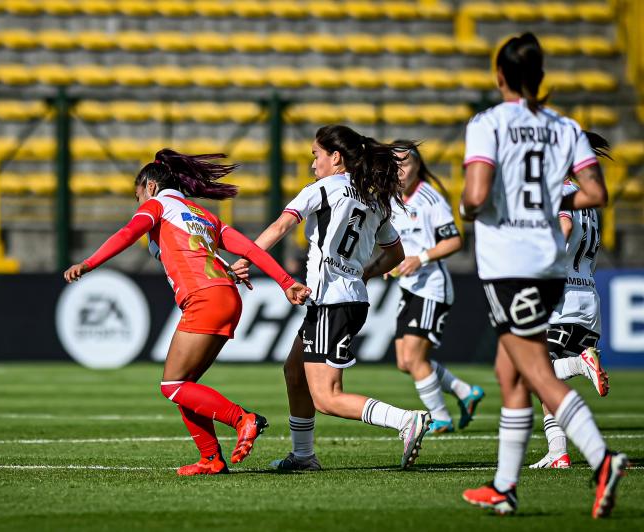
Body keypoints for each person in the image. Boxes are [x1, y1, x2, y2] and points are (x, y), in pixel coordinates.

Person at [459, 32, 627, 518]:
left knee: (535, 371)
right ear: (541, 78)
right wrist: (546, 202)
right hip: (555, 268)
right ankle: (505, 487)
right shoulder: (566, 128)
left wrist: (497, 207)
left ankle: (601, 459)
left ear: (500, 76)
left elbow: (474, 197)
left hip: (511, 264)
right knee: (508, 370)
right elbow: (594, 194)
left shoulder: (488, 124)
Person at [64, 149, 311, 476]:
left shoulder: (157, 206)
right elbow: (248, 249)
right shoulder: (202, 215)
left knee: (173, 385)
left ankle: (242, 419)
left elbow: (127, 233)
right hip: (227, 297)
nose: (138, 204)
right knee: (187, 385)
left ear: (150, 187)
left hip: (204, 298)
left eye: (137, 196)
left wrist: (88, 263)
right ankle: (211, 459)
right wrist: (285, 281)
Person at [232, 125, 431, 473]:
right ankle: (303, 455)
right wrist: (362, 273)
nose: (313, 165)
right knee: (294, 370)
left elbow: (281, 226)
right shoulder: (373, 200)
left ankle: (404, 420)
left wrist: (247, 258)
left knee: (327, 397)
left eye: (315, 155)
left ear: (335, 157)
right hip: (348, 299)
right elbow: (395, 254)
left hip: (332, 302)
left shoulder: (323, 189)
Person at [388, 141, 485, 434]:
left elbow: (455, 240)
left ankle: (440, 417)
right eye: (394, 164)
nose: (399, 170)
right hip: (409, 286)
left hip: (431, 288)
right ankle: (465, 391)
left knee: (415, 358)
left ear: (418, 165)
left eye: (404, 163)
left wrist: (422, 258)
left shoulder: (430, 200)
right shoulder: (392, 199)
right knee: (405, 362)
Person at [530, 133, 612, 469]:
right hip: (587, 298)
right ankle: (558, 452)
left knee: (532, 373)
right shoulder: (587, 200)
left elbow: (563, 228)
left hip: (559, 299)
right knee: (547, 379)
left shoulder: (559, 194)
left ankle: (581, 364)